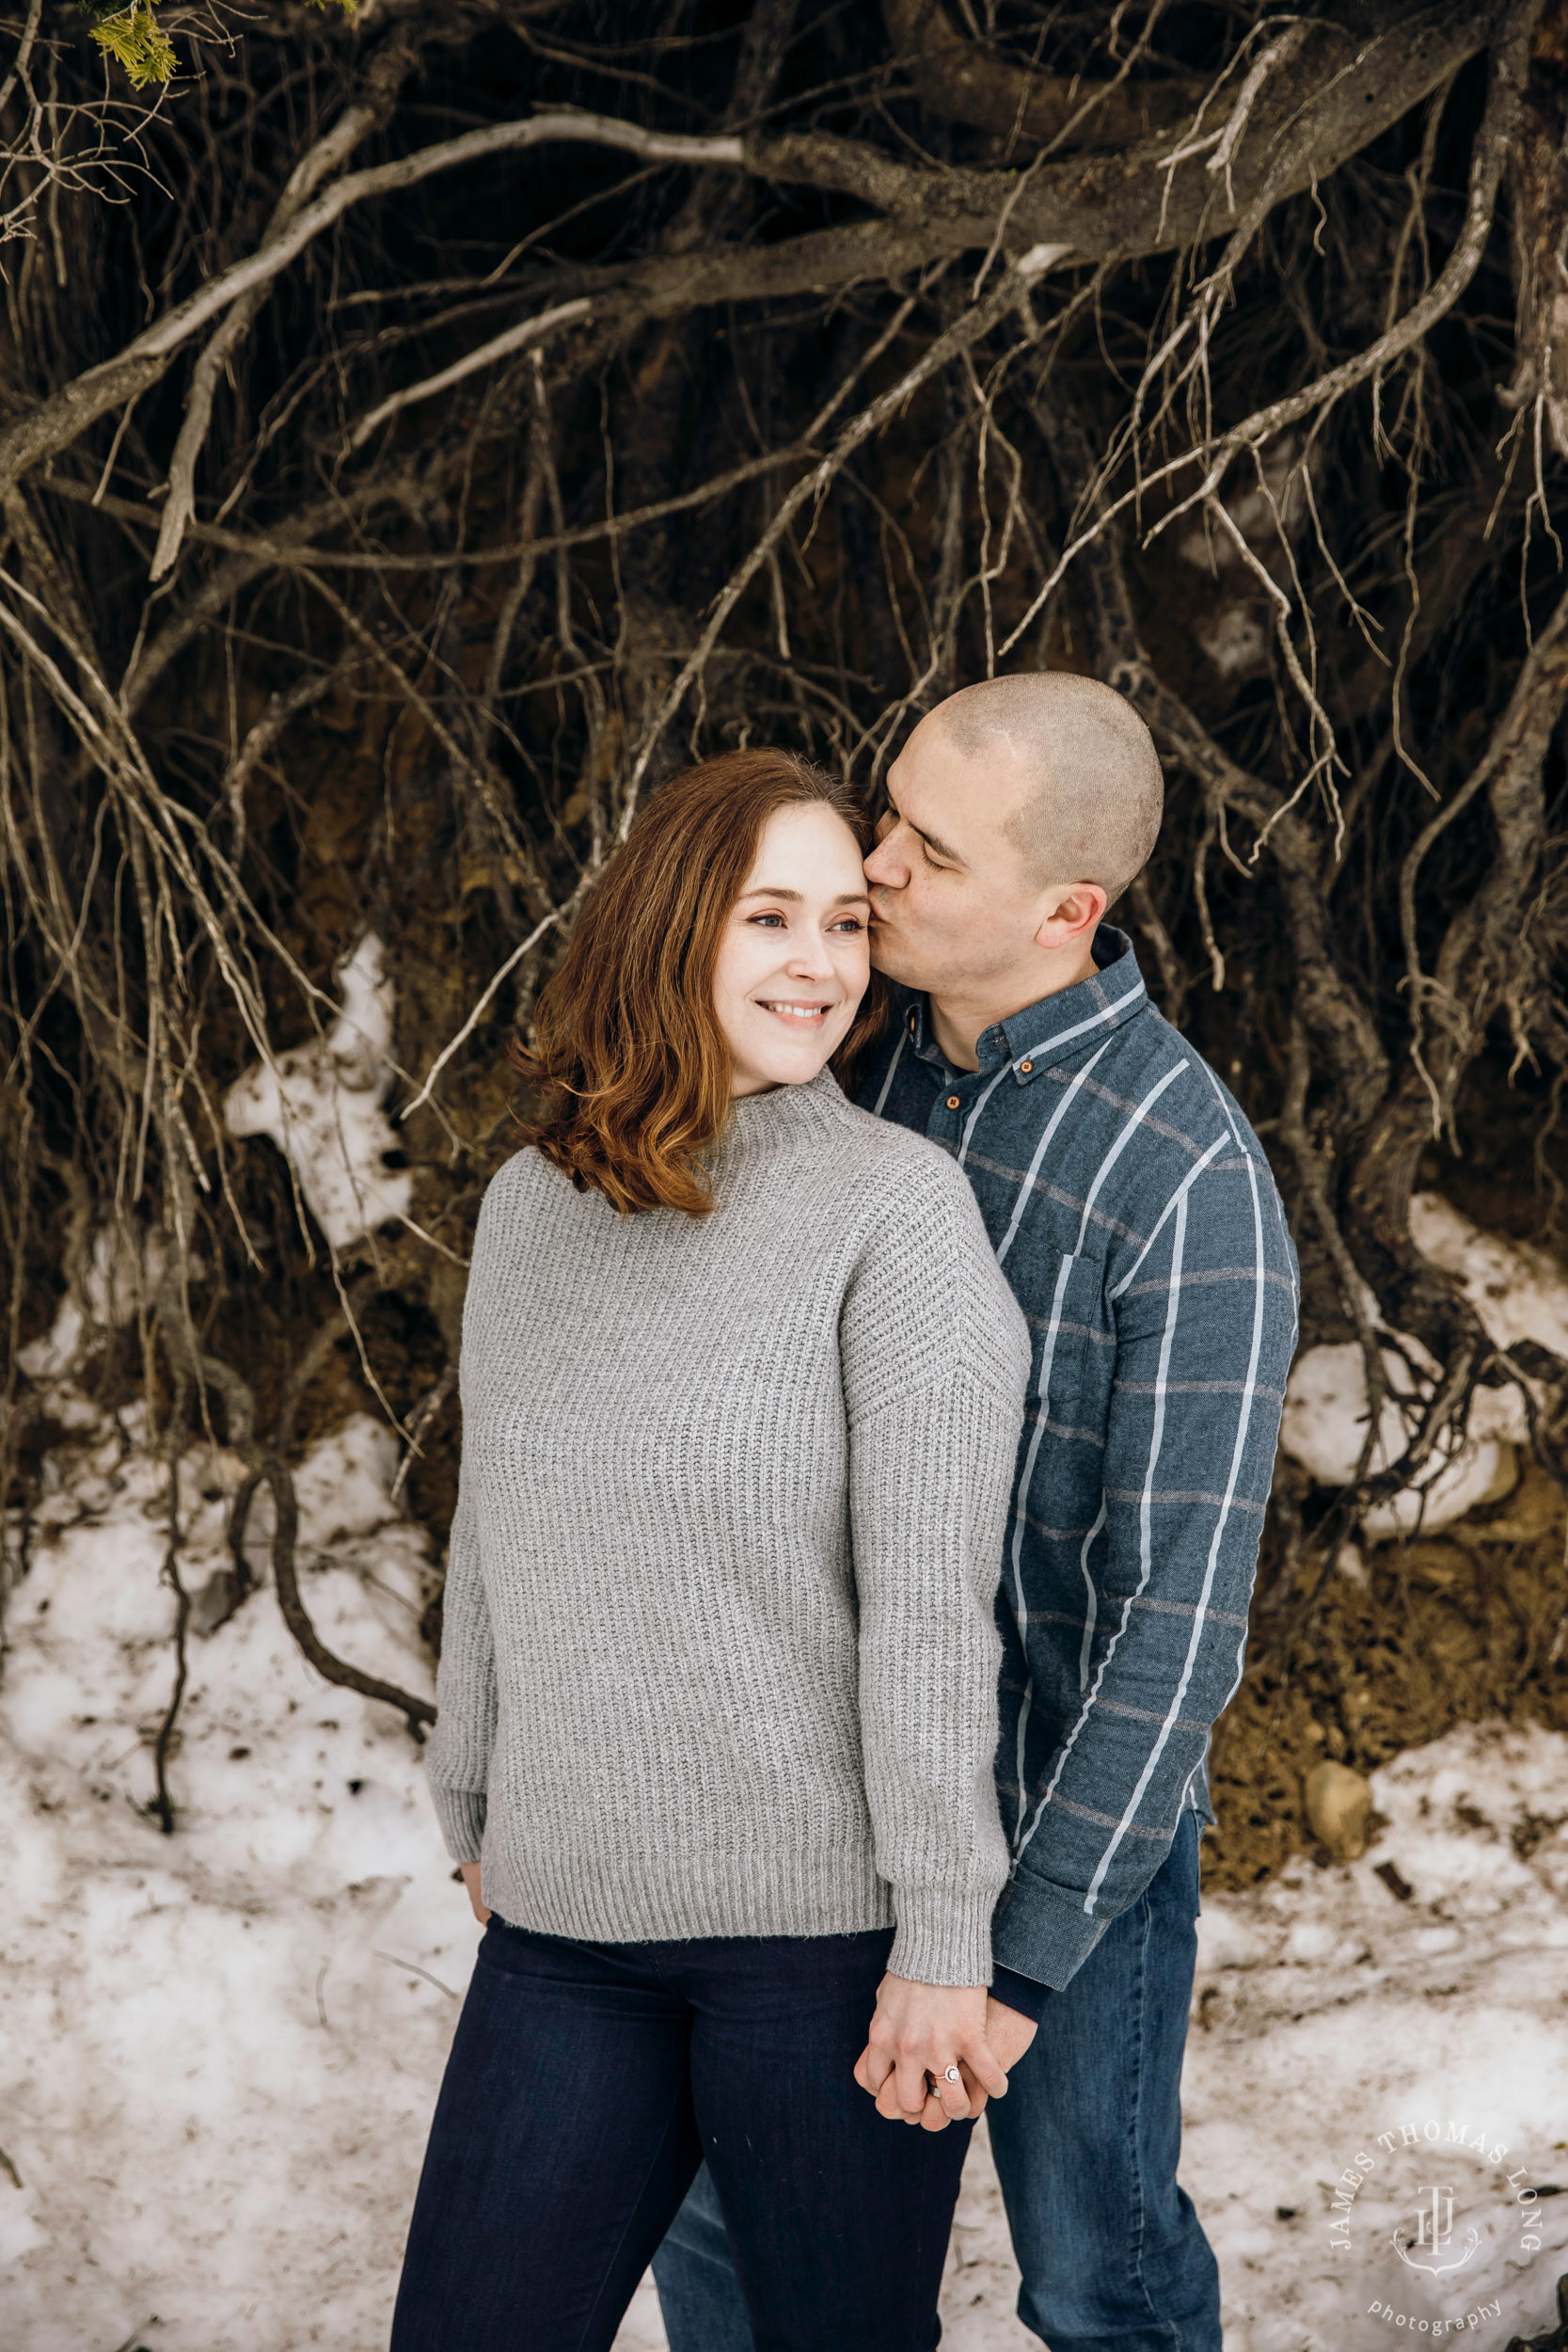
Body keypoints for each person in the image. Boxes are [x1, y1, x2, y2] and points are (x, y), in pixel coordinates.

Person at [653, 675, 1299, 2352]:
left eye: (927, 853)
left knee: (1100, 2275)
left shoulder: (1187, 1186)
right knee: (734, 2240)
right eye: (886, 818)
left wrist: (1012, 1968)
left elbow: (1174, 1629)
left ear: (1065, 912)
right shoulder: (836, 1069)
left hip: (1048, 1849)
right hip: (811, 1807)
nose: (871, 870)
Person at [390, 748, 1034, 2352]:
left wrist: (947, 1939)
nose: (819, 963)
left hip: (814, 1958)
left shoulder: (898, 1216)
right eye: (769, 918)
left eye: (842, 922)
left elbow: (931, 1613)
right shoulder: (534, 1209)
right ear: (673, 928)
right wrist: (473, 1788)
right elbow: (494, 1529)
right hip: (563, 1937)